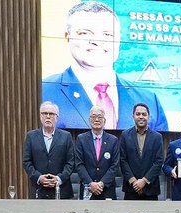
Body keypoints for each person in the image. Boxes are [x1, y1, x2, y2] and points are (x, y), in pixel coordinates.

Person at [42, 1, 168, 131]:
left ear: (119, 39)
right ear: (68, 37)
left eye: (107, 34)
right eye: (85, 33)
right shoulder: (43, 91)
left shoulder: (149, 100)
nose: (97, 41)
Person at [22, 101, 75, 200]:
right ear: (40, 116)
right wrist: (39, 177)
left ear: (57, 117)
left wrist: (59, 178)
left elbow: (71, 162)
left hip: (62, 191)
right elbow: (27, 161)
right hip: (39, 190)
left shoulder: (66, 136)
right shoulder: (31, 136)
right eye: (44, 113)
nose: (48, 116)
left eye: (51, 114)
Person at [119, 103, 164, 201]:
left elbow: (158, 161)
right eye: (138, 114)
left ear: (149, 117)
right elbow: (122, 160)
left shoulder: (157, 137)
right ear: (133, 116)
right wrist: (134, 181)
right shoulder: (125, 135)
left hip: (150, 189)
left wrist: (144, 181)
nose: (141, 117)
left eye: (144, 114)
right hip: (131, 188)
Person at [75, 106, 120, 200]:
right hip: (87, 189)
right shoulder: (81, 139)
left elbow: (114, 165)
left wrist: (101, 184)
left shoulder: (113, 140)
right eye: (93, 116)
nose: (96, 119)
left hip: (107, 189)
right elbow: (79, 164)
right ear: (89, 120)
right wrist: (90, 184)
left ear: (104, 121)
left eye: (100, 117)